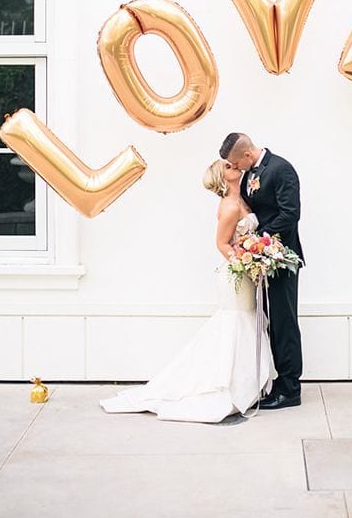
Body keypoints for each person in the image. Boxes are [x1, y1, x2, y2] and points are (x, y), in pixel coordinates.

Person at [99, 158, 276, 422]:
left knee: (247, 321)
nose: (235, 167)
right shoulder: (229, 206)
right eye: (228, 167)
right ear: (222, 176)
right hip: (236, 277)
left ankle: (248, 383)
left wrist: (258, 254)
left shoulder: (243, 200)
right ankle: (223, 383)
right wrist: (248, 263)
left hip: (248, 275)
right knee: (236, 322)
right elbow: (222, 244)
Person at [220, 132, 303, 410]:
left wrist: (261, 239)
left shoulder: (282, 169)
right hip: (261, 259)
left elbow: (290, 214)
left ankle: (290, 389)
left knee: (284, 322)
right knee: (269, 323)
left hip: (282, 258)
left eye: (237, 164)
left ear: (246, 155)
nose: (238, 170)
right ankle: (275, 382)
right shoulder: (248, 175)